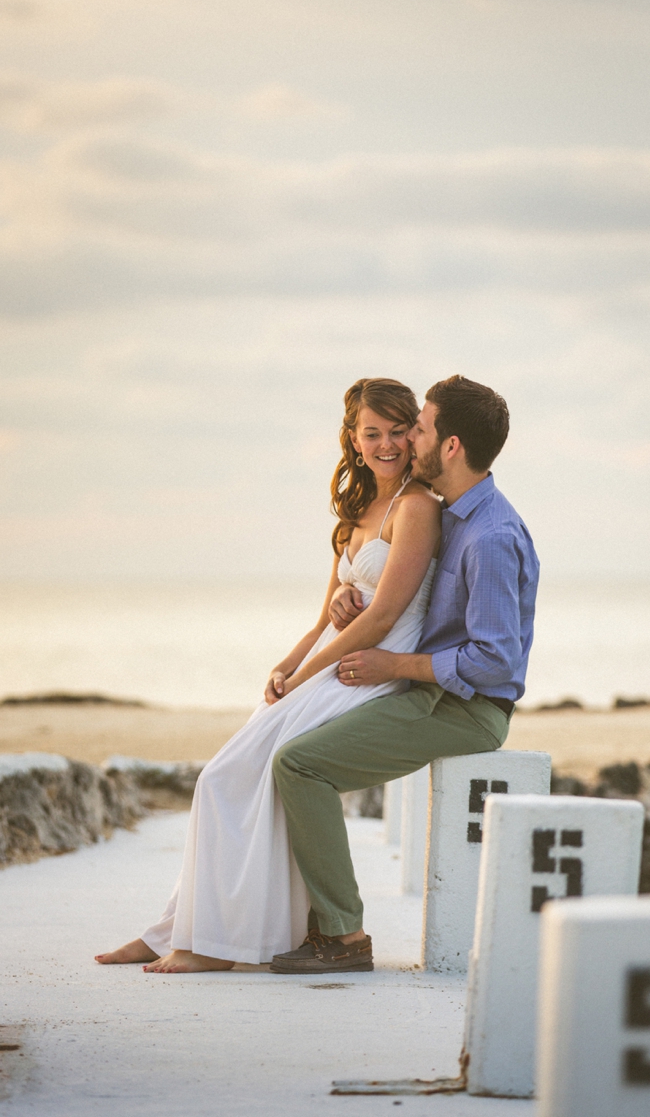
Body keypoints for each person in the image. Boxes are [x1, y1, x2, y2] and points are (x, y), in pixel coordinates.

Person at [95, 377, 441, 973]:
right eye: (371, 433)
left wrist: (309, 671)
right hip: (330, 661)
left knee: (229, 778)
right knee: (225, 778)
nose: (385, 444)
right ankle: (177, 930)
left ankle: (215, 944)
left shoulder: (417, 509)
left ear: (414, 434)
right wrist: (287, 662)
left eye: (396, 431)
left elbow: (384, 616)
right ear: (354, 441)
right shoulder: (358, 510)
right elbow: (326, 617)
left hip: (368, 671)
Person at [268, 374, 539, 974]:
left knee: (300, 764)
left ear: (450, 446)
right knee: (285, 749)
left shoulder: (490, 536)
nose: (408, 437)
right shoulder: (451, 513)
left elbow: (496, 661)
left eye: (419, 427)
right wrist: (348, 592)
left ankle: (342, 937)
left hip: (465, 709)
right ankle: (289, 918)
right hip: (423, 690)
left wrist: (394, 665)